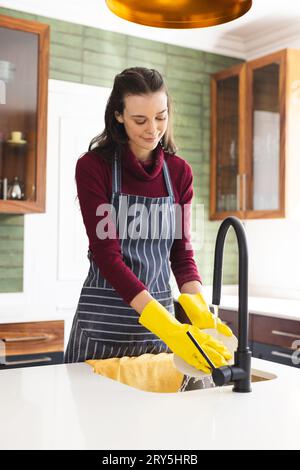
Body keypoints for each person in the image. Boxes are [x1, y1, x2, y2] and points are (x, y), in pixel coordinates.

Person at [64, 67, 232, 372]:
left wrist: (199, 312)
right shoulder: (93, 167)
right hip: (103, 332)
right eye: (140, 120)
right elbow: (107, 256)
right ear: (118, 115)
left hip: (159, 336)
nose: (153, 129)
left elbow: (181, 254)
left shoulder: (179, 173)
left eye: (161, 116)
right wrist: (166, 325)